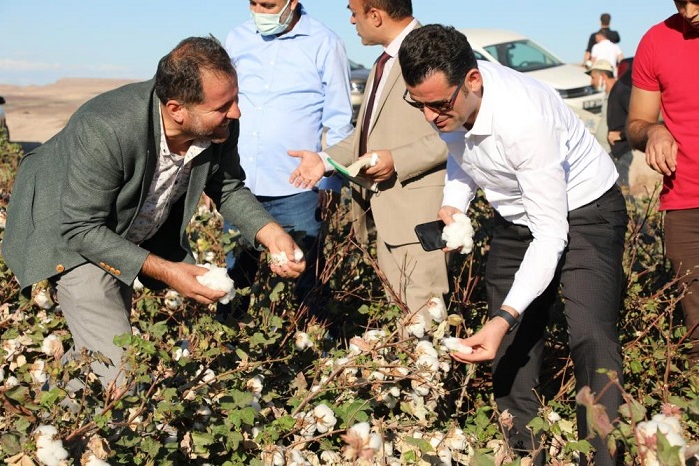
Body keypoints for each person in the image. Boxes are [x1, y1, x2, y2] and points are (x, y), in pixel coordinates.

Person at [2, 36, 305, 392]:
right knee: (120, 371)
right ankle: (82, 431)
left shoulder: (219, 124)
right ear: (177, 109)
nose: (236, 112)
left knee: (100, 351)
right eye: (224, 106)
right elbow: (81, 227)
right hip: (69, 237)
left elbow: (225, 186)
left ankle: (49, 411)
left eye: (236, 99)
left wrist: (270, 232)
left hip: (120, 234)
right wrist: (169, 271)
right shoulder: (106, 127)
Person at [399, 25, 626, 465]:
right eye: (419, 104)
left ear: (473, 80)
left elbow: (551, 235)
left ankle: (601, 459)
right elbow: (459, 151)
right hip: (518, 216)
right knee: (509, 345)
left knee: (591, 335)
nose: (430, 117)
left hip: (586, 211)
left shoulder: (524, 119)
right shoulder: (449, 104)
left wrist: (505, 315)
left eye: (439, 105)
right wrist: (453, 205)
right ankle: (525, 454)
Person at [288, 0, 449, 322]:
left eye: (353, 12)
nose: (350, 21)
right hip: (385, 215)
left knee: (423, 321)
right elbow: (367, 137)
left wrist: (398, 160)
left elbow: (455, 132)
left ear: (375, 15)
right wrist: (324, 159)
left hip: (418, 216)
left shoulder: (431, 53)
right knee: (402, 319)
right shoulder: (384, 62)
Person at [221, 0, 354, 314]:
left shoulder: (325, 43)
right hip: (240, 187)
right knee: (235, 280)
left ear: (292, 3)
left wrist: (330, 184)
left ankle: (306, 356)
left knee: (304, 283)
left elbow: (339, 120)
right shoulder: (237, 38)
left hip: (297, 189)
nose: (259, 12)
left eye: (268, 5)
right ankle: (230, 352)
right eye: (253, 3)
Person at [627, 1, 699, 365]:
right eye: (679, 1)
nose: (688, 12)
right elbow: (637, 122)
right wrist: (653, 131)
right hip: (685, 206)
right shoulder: (657, 40)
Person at [587, 59, 633, 187]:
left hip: (619, 153)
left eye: (593, 77)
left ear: (602, 76)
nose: (591, 82)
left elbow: (637, 117)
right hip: (609, 154)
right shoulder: (610, 94)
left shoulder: (621, 91)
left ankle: (633, 208)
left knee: (623, 191)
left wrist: (622, 135)